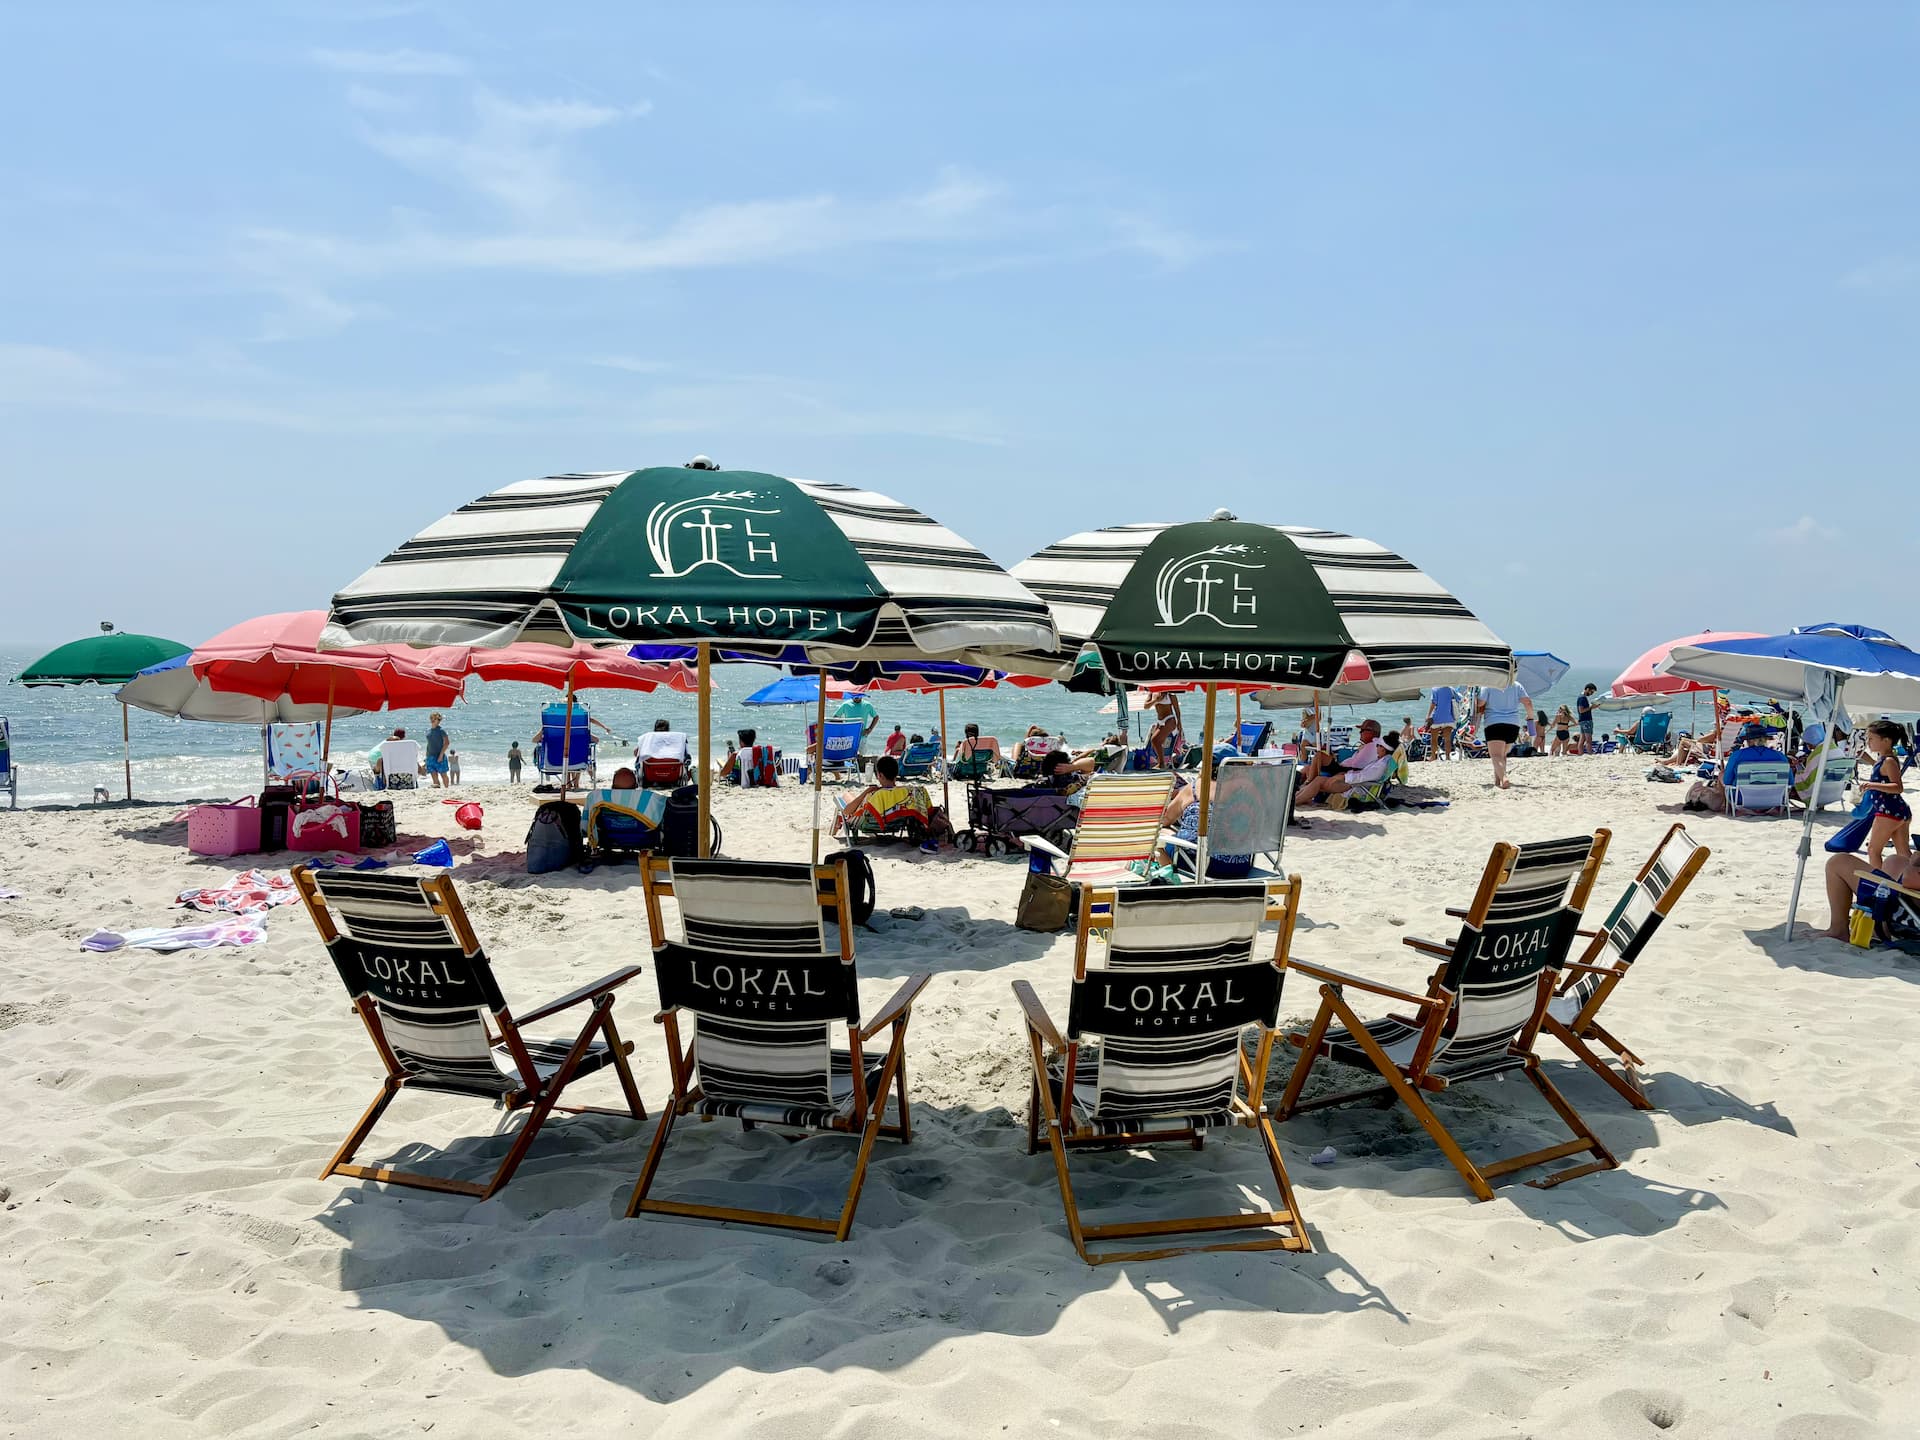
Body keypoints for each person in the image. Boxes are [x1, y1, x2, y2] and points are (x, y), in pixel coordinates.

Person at [1818, 847, 1920, 941]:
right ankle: (1883, 922)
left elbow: (1909, 880)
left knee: (1838, 862)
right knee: (1894, 861)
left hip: (1912, 918)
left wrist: (1914, 862)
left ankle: (1838, 930)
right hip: (1911, 904)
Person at [1295, 719, 1391, 808]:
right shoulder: (1380, 759)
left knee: (1318, 770)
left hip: (1350, 778)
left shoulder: (1376, 756)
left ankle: (1296, 798)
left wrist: (1344, 776)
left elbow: (1361, 772)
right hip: (1349, 775)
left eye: (1362, 730)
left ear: (1372, 732)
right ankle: (1297, 796)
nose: (1360, 733)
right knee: (1314, 769)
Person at [1859, 719, 1912, 867]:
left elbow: (1898, 787)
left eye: (1871, 739)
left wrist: (1872, 785)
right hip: (1898, 811)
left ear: (1886, 741)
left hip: (1888, 811)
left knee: (1873, 850)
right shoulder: (1884, 759)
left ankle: (1878, 879)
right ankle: (1914, 876)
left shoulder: (1889, 761)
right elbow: (1878, 769)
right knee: (1904, 853)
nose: (1868, 742)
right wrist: (1863, 756)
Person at [1476, 680, 1532, 789]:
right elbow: (1527, 702)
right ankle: (1498, 781)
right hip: (1513, 725)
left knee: (1496, 755)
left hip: (1494, 723)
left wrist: (1475, 696)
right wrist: (1530, 717)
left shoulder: (1489, 684)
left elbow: (1480, 703)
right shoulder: (1516, 685)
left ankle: (1504, 778)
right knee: (1502, 755)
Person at [1147, 691, 1184, 767]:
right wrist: (1156, 700)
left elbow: (1177, 709)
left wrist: (1179, 722)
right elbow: (1146, 706)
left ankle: (1161, 763)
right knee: (1155, 743)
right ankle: (1161, 762)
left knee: (1155, 740)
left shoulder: (1170, 694)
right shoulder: (1152, 693)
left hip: (1169, 719)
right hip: (1160, 721)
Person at [1425, 686, 1458, 761]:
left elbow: (1433, 703)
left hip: (1437, 718)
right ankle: (1447, 757)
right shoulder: (1451, 689)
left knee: (1434, 739)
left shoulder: (1435, 689)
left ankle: (1433, 756)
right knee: (1447, 740)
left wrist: (1428, 715)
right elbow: (1458, 699)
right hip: (1448, 717)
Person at [423, 713, 451, 789]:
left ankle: (446, 789)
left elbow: (447, 743)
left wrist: (441, 755)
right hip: (430, 756)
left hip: (439, 756)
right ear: (431, 719)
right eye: (435, 718)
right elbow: (429, 744)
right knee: (434, 775)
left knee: (443, 775)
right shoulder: (428, 731)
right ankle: (437, 790)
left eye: (438, 719)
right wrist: (426, 757)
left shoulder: (441, 730)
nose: (437, 720)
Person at [1576, 683, 1597, 754]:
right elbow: (1581, 710)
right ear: (1587, 689)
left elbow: (1582, 710)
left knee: (1582, 739)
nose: (1591, 694)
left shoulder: (1581, 697)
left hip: (1583, 720)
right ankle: (1590, 753)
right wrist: (1591, 707)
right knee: (1588, 739)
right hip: (1586, 721)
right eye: (1591, 692)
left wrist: (1591, 707)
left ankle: (1581, 754)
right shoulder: (1582, 698)